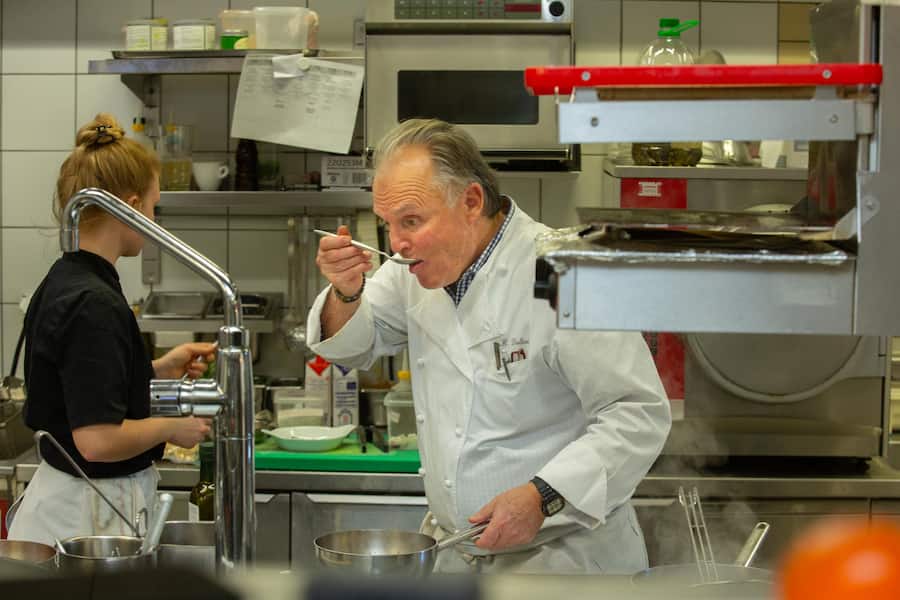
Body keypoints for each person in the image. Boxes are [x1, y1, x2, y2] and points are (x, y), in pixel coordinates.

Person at [307, 118, 672, 574]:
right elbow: (351, 347)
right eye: (388, 224)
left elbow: (637, 413)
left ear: (471, 202)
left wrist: (542, 496)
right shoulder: (411, 270)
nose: (397, 244)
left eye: (412, 221)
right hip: (458, 554)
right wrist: (346, 291)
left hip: (565, 560)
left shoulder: (564, 272)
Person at [7, 114, 213, 546]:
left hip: (81, 507)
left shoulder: (70, 278)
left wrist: (156, 369)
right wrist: (171, 427)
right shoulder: (93, 302)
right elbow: (97, 440)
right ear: (131, 207)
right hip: (86, 519)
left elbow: (84, 388)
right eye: (153, 207)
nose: (154, 220)